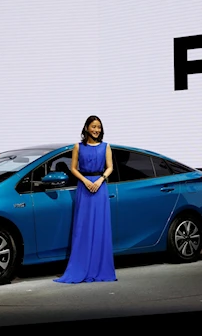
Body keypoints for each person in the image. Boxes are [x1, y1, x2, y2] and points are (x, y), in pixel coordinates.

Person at [54, 115, 117, 283]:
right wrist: (85, 181)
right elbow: (73, 168)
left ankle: (100, 267)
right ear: (87, 128)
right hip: (84, 187)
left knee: (100, 227)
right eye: (93, 126)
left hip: (100, 187)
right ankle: (80, 266)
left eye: (99, 127)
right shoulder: (78, 147)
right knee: (83, 227)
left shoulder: (106, 147)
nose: (96, 130)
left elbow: (110, 167)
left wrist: (100, 179)